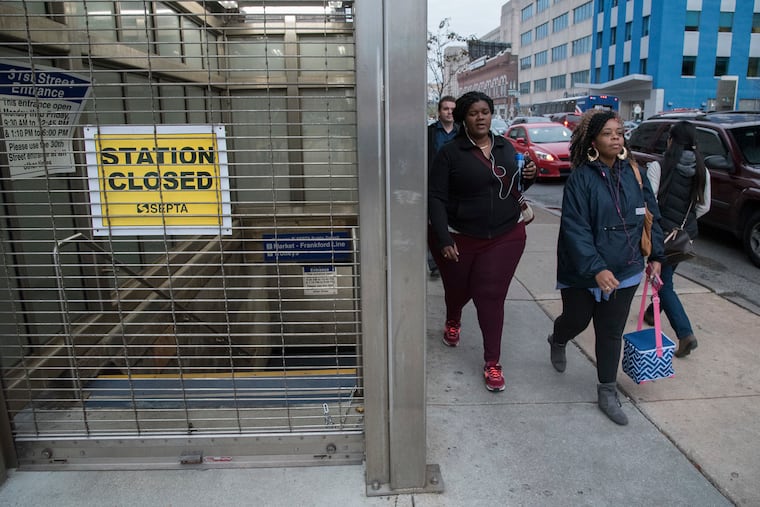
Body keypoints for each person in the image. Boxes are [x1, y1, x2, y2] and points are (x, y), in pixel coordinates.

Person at [547, 109, 666, 425]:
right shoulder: (580, 179)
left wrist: (656, 257)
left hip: (626, 269)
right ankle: (558, 338)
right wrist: (596, 268)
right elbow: (575, 228)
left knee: (610, 332)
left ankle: (607, 391)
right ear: (593, 141)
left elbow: (651, 217)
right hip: (584, 271)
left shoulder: (634, 173)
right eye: (608, 133)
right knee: (577, 319)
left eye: (620, 131)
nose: (616, 137)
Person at [428, 91, 537, 392]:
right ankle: (453, 318)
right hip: (460, 235)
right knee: (458, 289)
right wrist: (443, 236)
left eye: (485, 112)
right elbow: (436, 197)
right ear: (464, 117)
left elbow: (516, 184)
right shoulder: (450, 153)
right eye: (474, 112)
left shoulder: (506, 147)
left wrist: (530, 174)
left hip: (505, 234)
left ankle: (493, 362)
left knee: (489, 294)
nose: (480, 117)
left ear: (491, 115)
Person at [644, 121, 711, 357]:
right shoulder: (703, 170)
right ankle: (652, 313)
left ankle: (685, 334)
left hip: (659, 235)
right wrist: (683, 227)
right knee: (665, 276)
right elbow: (704, 206)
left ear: (671, 140)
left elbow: (649, 205)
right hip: (682, 238)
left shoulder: (658, 167)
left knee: (664, 283)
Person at [427, 96, 458, 278]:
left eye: (452, 109)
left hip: (454, 185)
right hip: (433, 183)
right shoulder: (430, 132)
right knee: (433, 222)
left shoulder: (461, 132)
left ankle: (450, 255)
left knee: (450, 222)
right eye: (445, 109)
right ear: (439, 111)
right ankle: (434, 263)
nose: (449, 112)